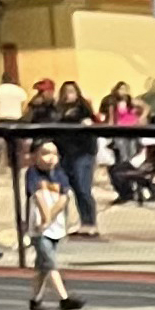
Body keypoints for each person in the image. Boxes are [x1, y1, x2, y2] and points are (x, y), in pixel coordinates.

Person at [19, 136, 83, 310]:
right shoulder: (32, 174)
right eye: (45, 153)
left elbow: (64, 198)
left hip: (56, 227)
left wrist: (51, 217)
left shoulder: (60, 175)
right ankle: (64, 299)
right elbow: (38, 196)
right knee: (50, 263)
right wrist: (44, 219)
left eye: (54, 153)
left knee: (42, 267)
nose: (51, 157)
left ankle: (35, 299)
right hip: (39, 229)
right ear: (34, 156)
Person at [51, 80, 102, 234]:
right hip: (65, 154)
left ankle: (90, 223)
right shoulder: (58, 110)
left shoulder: (83, 109)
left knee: (83, 188)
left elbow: (91, 124)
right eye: (66, 91)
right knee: (68, 188)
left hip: (83, 153)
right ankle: (70, 224)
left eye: (72, 91)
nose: (68, 94)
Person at [101, 81, 148, 205]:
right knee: (121, 162)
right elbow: (111, 119)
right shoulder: (113, 102)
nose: (123, 92)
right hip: (120, 135)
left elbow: (146, 107)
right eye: (120, 89)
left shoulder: (132, 102)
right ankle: (126, 192)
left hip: (132, 134)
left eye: (125, 89)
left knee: (132, 162)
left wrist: (141, 118)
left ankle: (137, 189)